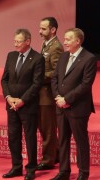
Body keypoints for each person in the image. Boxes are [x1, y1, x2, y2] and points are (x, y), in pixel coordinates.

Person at [50, 28, 97, 180]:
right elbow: (55, 78)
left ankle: (83, 173)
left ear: (77, 41)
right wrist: (58, 97)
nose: (64, 42)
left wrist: (67, 99)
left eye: (68, 39)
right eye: (64, 38)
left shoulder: (89, 58)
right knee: (63, 140)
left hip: (78, 108)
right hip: (60, 106)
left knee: (80, 141)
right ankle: (64, 171)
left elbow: (85, 85)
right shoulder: (63, 56)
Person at [1, 29, 44, 180]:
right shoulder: (11, 56)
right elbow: (4, 79)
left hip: (28, 105)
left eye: (18, 41)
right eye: (14, 41)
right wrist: (8, 97)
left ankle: (31, 168)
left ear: (28, 41)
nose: (15, 44)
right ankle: (16, 167)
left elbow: (37, 83)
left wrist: (22, 100)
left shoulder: (38, 58)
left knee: (30, 137)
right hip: (11, 105)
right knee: (13, 136)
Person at [37, 17, 63, 170]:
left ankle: (47, 160)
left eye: (43, 29)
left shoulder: (56, 47)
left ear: (53, 30)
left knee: (47, 129)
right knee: (45, 127)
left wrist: (37, 76)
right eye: (40, 28)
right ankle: (56, 154)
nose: (40, 32)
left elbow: (56, 72)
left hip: (47, 94)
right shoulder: (46, 44)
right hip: (42, 93)